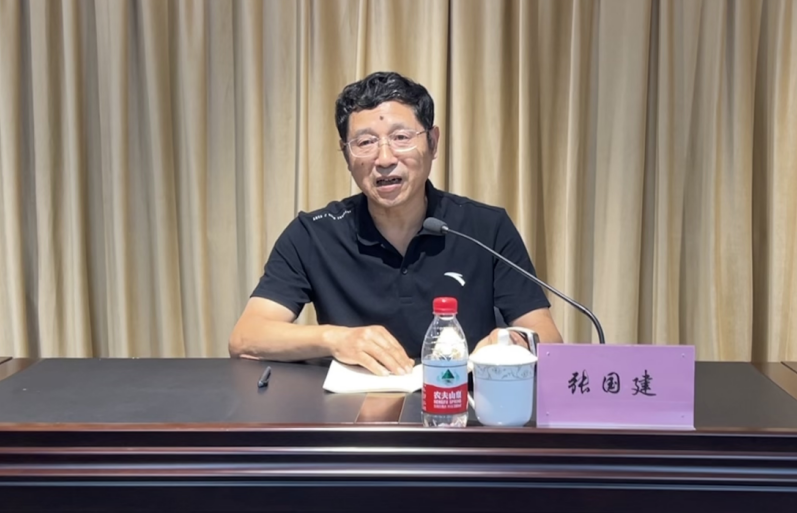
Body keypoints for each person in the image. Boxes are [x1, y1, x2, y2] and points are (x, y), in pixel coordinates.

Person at [229, 71, 563, 375]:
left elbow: (547, 337)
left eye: (401, 137)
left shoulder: (485, 227)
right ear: (346, 155)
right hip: (351, 414)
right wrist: (336, 339)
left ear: (433, 143)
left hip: (464, 408)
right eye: (365, 143)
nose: (385, 159)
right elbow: (246, 337)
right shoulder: (312, 234)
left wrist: (512, 341)